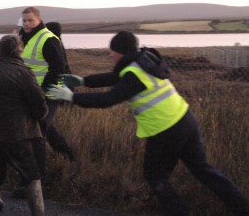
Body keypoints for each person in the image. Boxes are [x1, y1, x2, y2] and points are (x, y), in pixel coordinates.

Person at [47, 31, 249, 216]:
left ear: (121, 52)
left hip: (165, 129)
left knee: (155, 175)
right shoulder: (143, 62)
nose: (110, 55)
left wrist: (72, 97)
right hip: (185, 120)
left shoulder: (134, 74)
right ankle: (241, 207)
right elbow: (116, 77)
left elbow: (108, 99)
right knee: (202, 169)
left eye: (112, 52)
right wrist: (83, 81)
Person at [0, 35, 48, 216]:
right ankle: (38, 213)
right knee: (31, 175)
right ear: (18, 50)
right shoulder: (23, 72)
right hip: (17, 135)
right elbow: (39, 103)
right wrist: (40, 117)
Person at [16, 7, 71, 196]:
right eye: (24, 21)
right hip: (33, 95)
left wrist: (43, 91)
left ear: (39, 19)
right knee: (43, 128)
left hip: (46, 95)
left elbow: (58, 69)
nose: (26, 24)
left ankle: (35, 183)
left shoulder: (48, 39)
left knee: (36, 135)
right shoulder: (29, 39)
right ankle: (68, 154)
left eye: (30, 20)